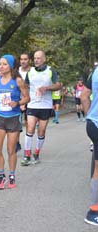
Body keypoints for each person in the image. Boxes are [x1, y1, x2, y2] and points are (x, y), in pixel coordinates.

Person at [0, 55, 30, 189]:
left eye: (4, 64)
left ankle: (12, 175)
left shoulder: (17, 81)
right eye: (0, 64)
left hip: (13, 117)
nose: (1, 66)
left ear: (11, 66)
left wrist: (17, 103)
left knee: (10, 150)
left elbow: (27, 98)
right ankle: (1, 175)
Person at [21, 50, 61, 166]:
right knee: (30, 128)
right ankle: (26, 155)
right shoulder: (30, 71)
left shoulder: (50, 70)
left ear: (44, 59)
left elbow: (58, 85)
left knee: (41, 131)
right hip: (33, 104)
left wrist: (47, 88)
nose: (36, 60)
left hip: (45, 105)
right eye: (35, 58)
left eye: (39, 58)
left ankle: (37, 152)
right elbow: (25, 86)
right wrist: (23, 100)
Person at [81, 66, 98, 226]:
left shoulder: (95, 71)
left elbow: (84, 96)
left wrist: (90, 116)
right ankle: (93, 211)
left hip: (93, 123)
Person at [16, 52, 32, 152]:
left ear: (29, 60)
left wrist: (25, 102)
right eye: (21, 59)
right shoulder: (16, 72)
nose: (23, 61)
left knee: (28, 123)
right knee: (16, 123)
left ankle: (27, 144)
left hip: (29, 100)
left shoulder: (33, 71)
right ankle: (16, 143)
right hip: (17, 100)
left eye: (25, 59)